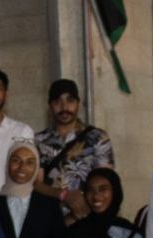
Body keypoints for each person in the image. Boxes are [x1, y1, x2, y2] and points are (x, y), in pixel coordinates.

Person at [34, 78, 114, 219]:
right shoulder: (38, 141)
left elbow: (105, 182)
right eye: (57, 101)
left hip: (88, 219)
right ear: (50, 106)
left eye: (70, 100)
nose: (64, 107)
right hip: (49, 220)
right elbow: (36, 184)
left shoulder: (98, 138)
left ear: (78, 103)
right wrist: (63, 195)